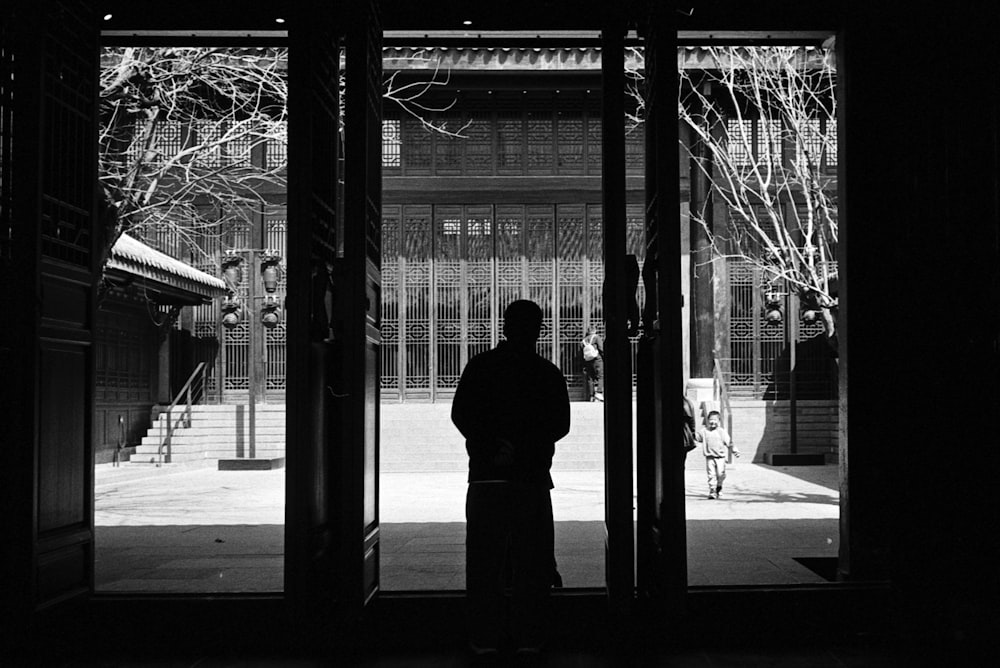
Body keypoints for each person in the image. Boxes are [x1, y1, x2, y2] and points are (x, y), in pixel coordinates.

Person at [452, 300, 571, 658]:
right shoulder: (546, 372)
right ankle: (529, 636)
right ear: (539, 329)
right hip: (530, 479)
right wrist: (524, 448)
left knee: (484, 560)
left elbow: (462, 414)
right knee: (531, 561)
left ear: (504, 327)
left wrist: (491, 446)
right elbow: (560, 425)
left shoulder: (481, 367)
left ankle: (484, 636)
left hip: (487, 478)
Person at [695, 410, 740, 499]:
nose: (713, 422)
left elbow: (729, 442)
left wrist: (735, 451)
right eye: (711, 420)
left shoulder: (721, 432)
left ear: (719, 421)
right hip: (710, 457)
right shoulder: (704, 431)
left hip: (720, 457)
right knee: (711, 474)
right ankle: (712, 491)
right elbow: (696, 436)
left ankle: (719, 486)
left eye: (715, 420)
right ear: (707, 420)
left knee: (720, 474)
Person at [580, 325, 604, 402]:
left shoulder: (583, 341)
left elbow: (581, 353)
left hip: (588, 361)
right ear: (595, 330)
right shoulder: (596, 337)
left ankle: (591, 396)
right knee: (600, 376)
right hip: (597, 359)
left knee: (590, 378)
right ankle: (599, 393)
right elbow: (601, 348)